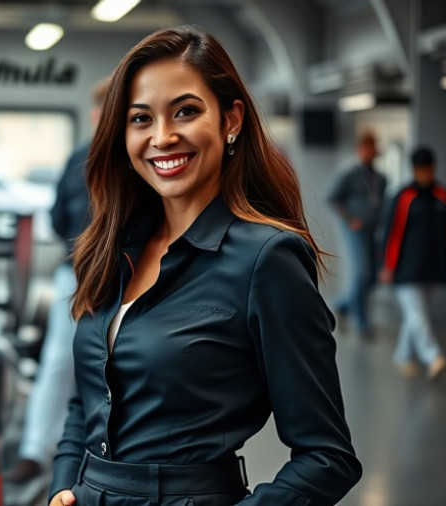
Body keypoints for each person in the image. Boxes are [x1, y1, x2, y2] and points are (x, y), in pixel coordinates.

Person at [49, 25, 361, 506]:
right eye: (141, 119)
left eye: (186, 111)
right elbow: (86, 399)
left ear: (230, 120)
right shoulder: (113, 247)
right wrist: (63, 486)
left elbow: (327, 457)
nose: (162, 137)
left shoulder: (267, 259)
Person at [3, 77, 109, 491]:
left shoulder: (139, 160)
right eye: (99, 110)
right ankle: (36, 452)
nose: (102, 117)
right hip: (77, 274)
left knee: (119, 363)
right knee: (59, 363)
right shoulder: (79, 159)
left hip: (128, 275)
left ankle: (107, 458)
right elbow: (58, 217)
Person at [379, 146, 446, 380]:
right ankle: (434, 357)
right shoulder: (404, 197)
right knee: (417, 315)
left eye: (428, 168)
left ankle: (403, 356)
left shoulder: (444, 196)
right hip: (406, 267)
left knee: (416, 315)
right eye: (420, 169)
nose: (424, 173)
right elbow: (392, 233)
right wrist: (388, 266)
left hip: (434, 266)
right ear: (414, 170)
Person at [327, 130, 387, 339]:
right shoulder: (350, 174)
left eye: (373, 147)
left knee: (374, 275)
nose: (370, 152)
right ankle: (362, 323)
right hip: (355, 230)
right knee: (362, 273)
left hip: (374, 230)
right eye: (366, 148)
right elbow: (332, 198)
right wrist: (350, 219)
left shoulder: (380, 177)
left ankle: (343, 305)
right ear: (360, 149)